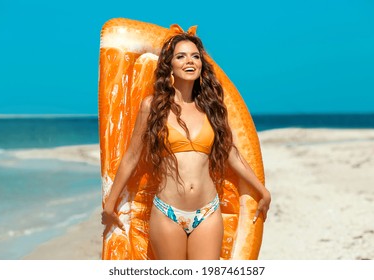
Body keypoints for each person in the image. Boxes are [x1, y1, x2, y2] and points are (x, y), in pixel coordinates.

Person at [101, 32, 271, 260]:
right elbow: (131, 157)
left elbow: (231, 152)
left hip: (208, 212)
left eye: (195, 56)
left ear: (202, 64)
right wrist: (110, 205)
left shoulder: (212, 108)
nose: (190, 61)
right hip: (167, 212)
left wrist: (262, 190)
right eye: (181, 56)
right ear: (169, 65)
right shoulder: (152, 107)